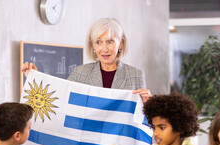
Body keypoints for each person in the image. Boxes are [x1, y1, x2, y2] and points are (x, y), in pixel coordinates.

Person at [21, 17, 152, 103]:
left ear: (121, 43)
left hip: (121, 143)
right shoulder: (80, 73)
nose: (104, 49)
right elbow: (58, 99)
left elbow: (143, 119)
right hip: (89, 143)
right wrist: (34, 78)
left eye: (110, 41)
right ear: (93, 46)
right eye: (99, 42)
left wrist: (148, 105)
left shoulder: (136, 75)